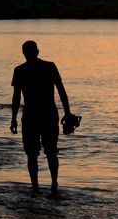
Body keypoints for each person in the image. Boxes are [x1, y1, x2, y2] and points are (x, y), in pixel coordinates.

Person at [10, 40, 72, 197]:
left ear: (24, 53)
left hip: (31, 116)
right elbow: (62, 92)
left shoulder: (20, 70)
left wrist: (13, 119)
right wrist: (67, 112)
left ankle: (35, 188)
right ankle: (54, 185)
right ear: (37, 51)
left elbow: (16, 98)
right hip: (49, 115)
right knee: (51, 152)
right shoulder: (49, 66)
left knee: (32, 154)